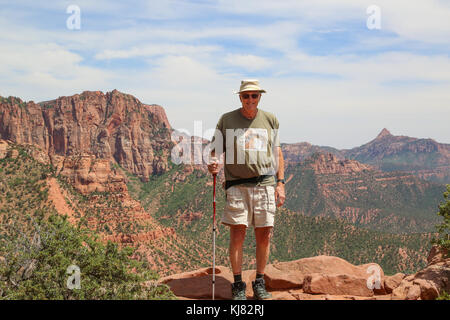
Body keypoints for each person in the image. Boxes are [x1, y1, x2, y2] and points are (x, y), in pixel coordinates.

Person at [208, 79, 286, 300]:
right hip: (237, 185)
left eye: (254, 95)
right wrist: (212, 164)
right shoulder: (227, 119)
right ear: (239, 97)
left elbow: (277, 153)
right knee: (237, 234)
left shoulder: (270, 119)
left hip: (265, 184)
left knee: (264, 236)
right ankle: (238, 284)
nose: (250, 100)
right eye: (246, 96)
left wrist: (281, 183)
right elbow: (215, 150)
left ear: (260, 96)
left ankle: (259, 281)